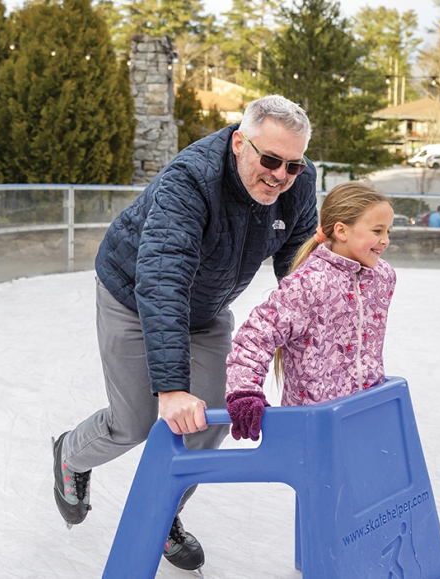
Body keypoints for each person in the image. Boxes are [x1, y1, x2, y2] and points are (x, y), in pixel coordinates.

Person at [51, 95, 318, 572]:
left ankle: (164, 514)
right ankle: (71, 453)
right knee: (134, 422)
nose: (280, 175)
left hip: (208, 307)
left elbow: (296, 260)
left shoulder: (297, 184)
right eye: (270, 160)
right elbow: (162, 280)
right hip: (134, 297)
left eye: (293, 165)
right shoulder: (190, 181)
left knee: (210, 421)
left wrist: (320, 330)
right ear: (240, 143)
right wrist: (172, 388)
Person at [224, 182, 396, 441]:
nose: (385, 240)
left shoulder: (382, 277)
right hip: (313, 421)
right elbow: (255, 336)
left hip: (363, 414)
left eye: (388, 231)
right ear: (341, 230)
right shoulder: (309, 283)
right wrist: (244, 391)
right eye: (377, 230)